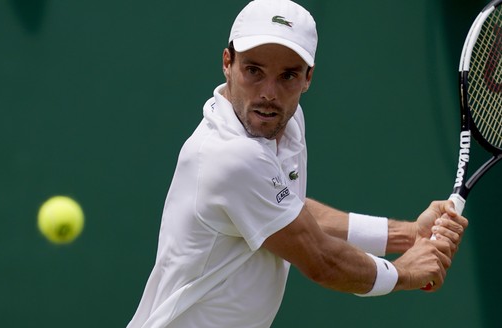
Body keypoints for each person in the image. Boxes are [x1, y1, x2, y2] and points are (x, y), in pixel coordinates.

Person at [127, 0, 468, 327]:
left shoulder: (286, 123)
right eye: (253, 71)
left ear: (308, 78)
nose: (269, 93)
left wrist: (405, 235)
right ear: (227, 63)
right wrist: (405, 272)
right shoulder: (230, 157)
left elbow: (291, 210)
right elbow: (322, 260)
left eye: (287, 76)